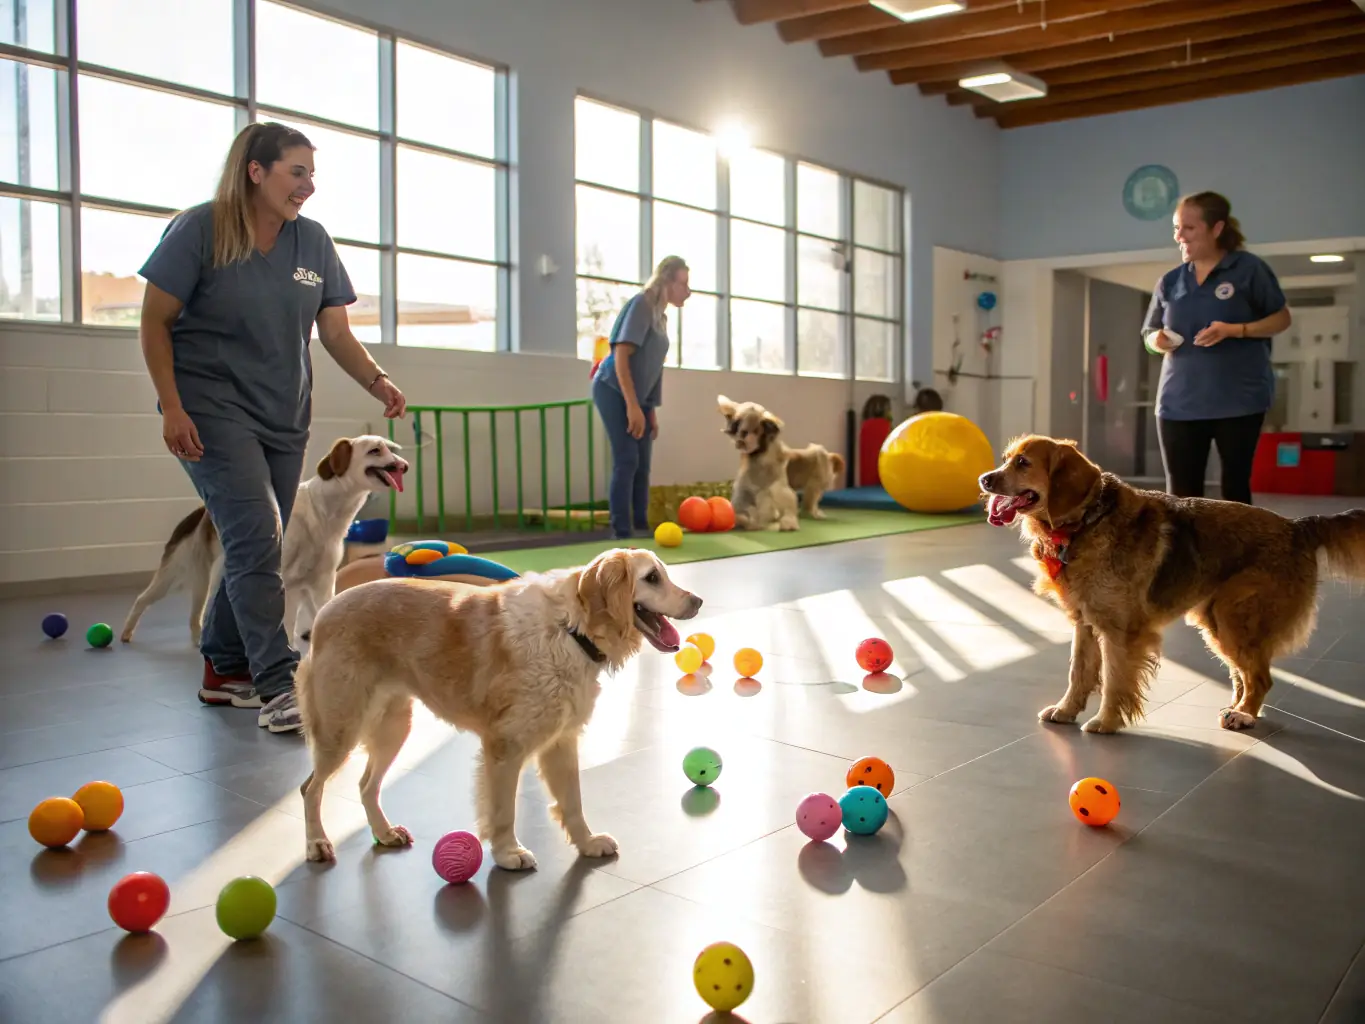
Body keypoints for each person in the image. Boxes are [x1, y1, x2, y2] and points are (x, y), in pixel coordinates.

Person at [137, 121, 407, 733]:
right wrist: (172, 406)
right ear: (256, 172)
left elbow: (334, 332)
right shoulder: (200, 229)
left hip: (283, 416)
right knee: (259, 534)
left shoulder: (311, 243)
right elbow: (154, 322)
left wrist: (378, 381)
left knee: (256, 541)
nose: (309, 186)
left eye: (312, 174)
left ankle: (223, 670)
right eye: (297, 172)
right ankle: (278, 681)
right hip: (208, 409)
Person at [1142, 191, 1291, 505]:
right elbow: (1148, 333)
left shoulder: (1249, 270)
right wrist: (1157, 341)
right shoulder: (1169, 282)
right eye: (1176, 228)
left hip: (1238, 401)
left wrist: (1236, 330)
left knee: (1234, 491)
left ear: (1217, 228)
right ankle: (1186, 555)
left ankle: (1236, 555)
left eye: (1188, 228)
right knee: (1181, 498)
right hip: (1178, 403)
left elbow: (1281, 318)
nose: (1178, 236)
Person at [590, 256, 691, 539]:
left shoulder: (661, 316)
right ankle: (621, 531)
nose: (688, 291)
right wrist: (632, 406)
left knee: (643, 462)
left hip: (638, 397)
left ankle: (641, 526)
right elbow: (621, 355)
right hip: (612, 388)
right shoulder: (642, 305)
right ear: (667, 282)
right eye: (683, 283)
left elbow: (653, 367)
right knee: (627, 459)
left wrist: (650, 411)